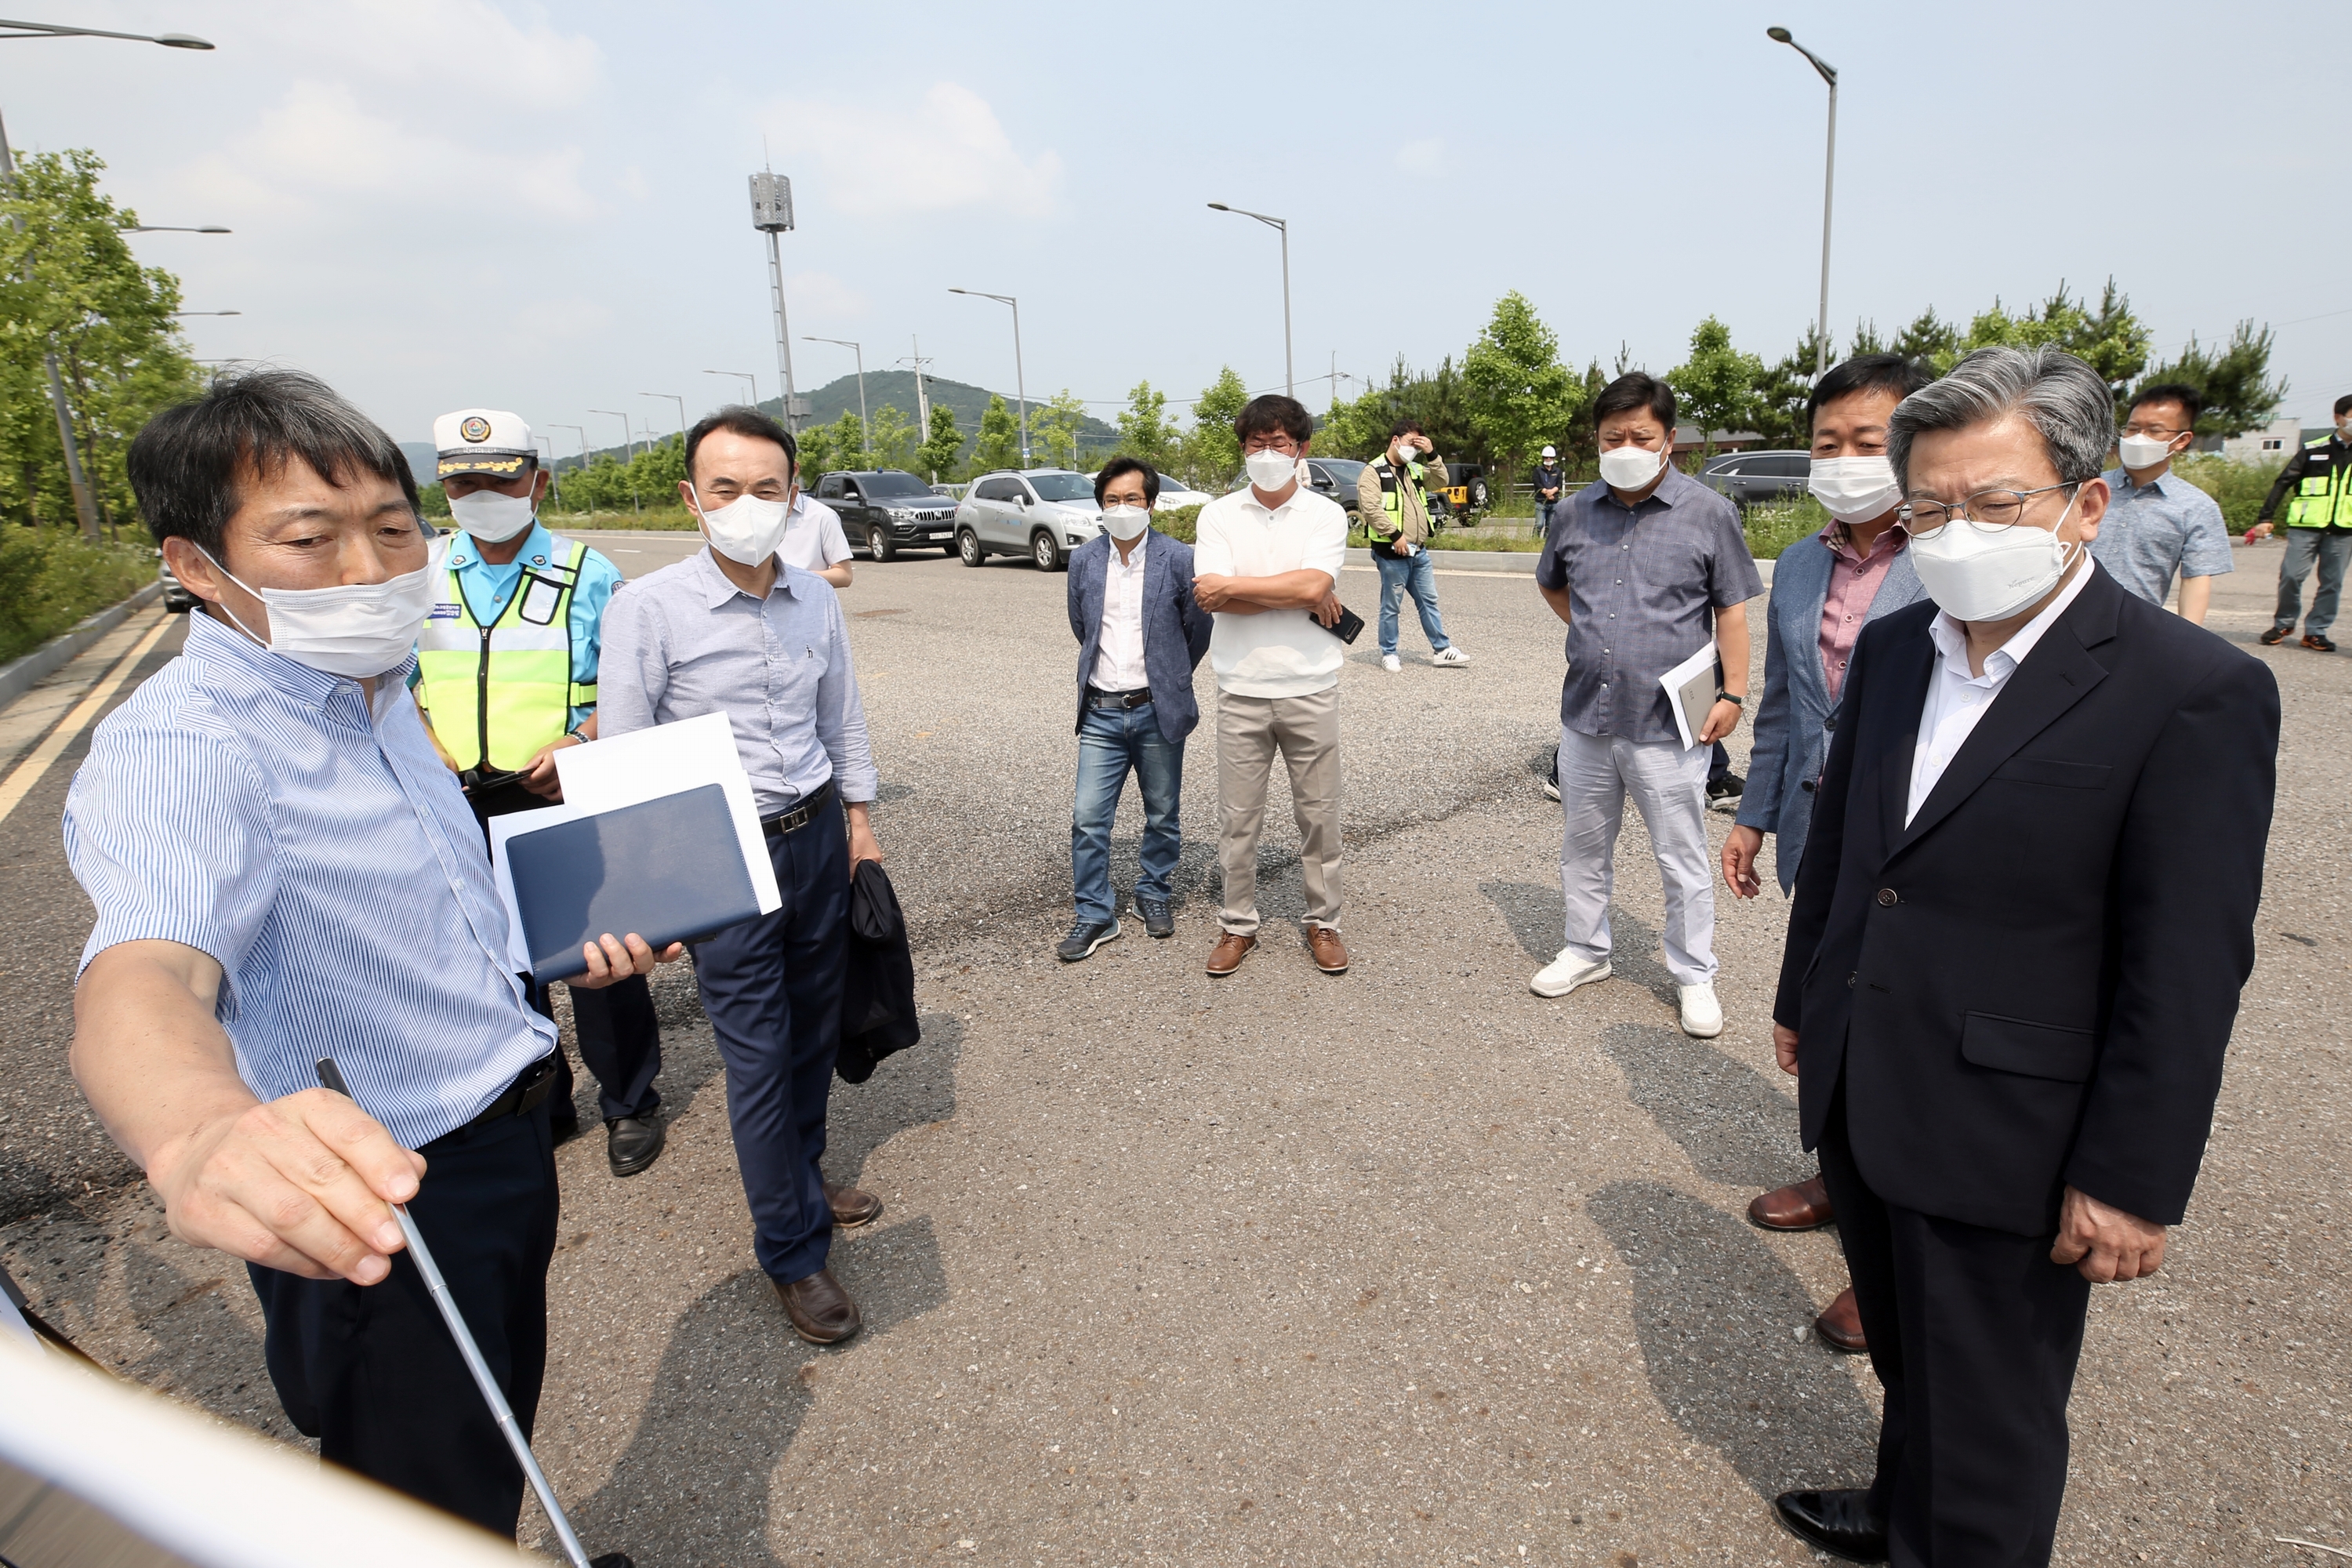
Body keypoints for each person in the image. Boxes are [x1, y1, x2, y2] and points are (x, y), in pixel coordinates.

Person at [63, 368, 674, 1544]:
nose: (369, 570)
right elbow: (145, 972)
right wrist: (198, 1131)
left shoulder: (373, 692)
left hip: (503, 1137)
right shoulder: (187, 745)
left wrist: (555, 943)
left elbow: (433, 891)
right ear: (197, 565)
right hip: (386, 1200)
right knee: (418, 1502)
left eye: (393, 530)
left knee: (489, 1437)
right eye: (309, 539)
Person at [1768, 347, 2278, 1566]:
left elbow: (2187, 964)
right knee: (1911, 1351)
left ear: (2086, 504)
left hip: (2015, 1128)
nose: (1957, 535)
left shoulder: (2190, 690)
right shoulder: (1900, 646)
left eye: (1995, 503)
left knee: (1991, 1410)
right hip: (1867, 1073)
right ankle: (1904, 1506)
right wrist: (1803, 1001)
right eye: (1930, 508)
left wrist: (2133, 1177)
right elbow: (1846, 852)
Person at [597, 405, 886, 1346]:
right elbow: (624, 756)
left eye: (767, 487)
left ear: (794, 496)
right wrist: (648, 893)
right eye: (726, 488)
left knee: (812, 1031)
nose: (747, 504)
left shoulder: (815, 599)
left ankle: (803, 1174)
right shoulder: (648, 608)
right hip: (717, 850)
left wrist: (860, 824)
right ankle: (793, 1251)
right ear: (693, 498)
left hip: (814, 836)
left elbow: (840, 716)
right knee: (758, 1053)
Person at [1722, 353, 1933, 1354]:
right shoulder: (1802, 564)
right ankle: (1843, 1179)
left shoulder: (1955, 557)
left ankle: (1890, 1251)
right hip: (1819, 832)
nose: (1846, 460)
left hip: (1914, 845)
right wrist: (1755, 814)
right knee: (1830, 1015)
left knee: (1907, 1039)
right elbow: (1785, 707)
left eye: (1868, 441)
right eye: (1827, 443)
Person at [415, 408, 666, 1178]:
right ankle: (543, 1098)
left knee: (597, 955)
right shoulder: (419, 572)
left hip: (561, 791)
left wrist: (583, 740)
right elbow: (394, 683)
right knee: (499, 963)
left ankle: (630, 1101)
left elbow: (636, 685)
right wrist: (426, 744)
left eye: (500, 481)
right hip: (457, 798)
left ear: (538, 483)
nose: (481, 495)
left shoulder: (588, 572)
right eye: (464, 482)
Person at [1530, 373, 1760, 1038]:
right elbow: (1553, 586)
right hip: (1587, 716)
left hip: (1669, 724)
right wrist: (1595, 632)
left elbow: (1731, 612)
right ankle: (1586, 949)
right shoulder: (1573, 513)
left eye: (1640, 435)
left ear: (1668, 439)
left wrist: (1733, 693)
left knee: (1680, 855)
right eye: (1613, 437)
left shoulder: (1708, 512)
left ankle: (1694, 973)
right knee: (1583, 846)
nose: (1625, 447)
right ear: (1596, 440)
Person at [1192, 394, 1352, 978]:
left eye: (1278, 443)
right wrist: (1296, 591)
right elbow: (1210, 595)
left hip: (1311, 685)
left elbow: (1311, 587)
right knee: (1238, 819)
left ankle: (1324, 921)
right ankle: (1238, 925)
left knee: (1319, 816)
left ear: (1300, 449)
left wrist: (1242, 588)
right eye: (1256, 443)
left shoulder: (1325, 514)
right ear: (1243, 448)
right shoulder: (1218, 515)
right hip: (1240, 688)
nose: (1266, 453)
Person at [1058, 457, 1214, 960]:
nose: (1122, 508)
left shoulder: (1179, 558)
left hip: (1156, 708)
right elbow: (1082, 627)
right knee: (1088, 818)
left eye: (1132, 499)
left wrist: (1169, 676)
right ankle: (1094, 913)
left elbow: (1198, 630)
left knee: (1163, 813)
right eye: (1112, 500)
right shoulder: (1085, 560)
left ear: (1150, 504)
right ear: (1100, 506)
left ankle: (1153, 891)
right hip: (1101, 710)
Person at [2088, 383, 2232, 622]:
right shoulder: (2087, 488)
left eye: (2154, 431)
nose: (2139, 438)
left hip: (2135, 626)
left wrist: (2188, 638)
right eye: (2133, 429)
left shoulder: (2196, 507)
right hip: (2060, 618)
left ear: (2182, 440)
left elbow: (2195, 580)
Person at [1357, 419, 1471, 673]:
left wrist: (1432, 453)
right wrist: (1395, 535)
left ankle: (1442, 649)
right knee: (1391, 606)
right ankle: (1389, 652)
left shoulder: (1414, 470)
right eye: (1411, 443)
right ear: (1395, 440)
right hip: (1391, 552)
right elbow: (1371, 509)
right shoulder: (1374, 471)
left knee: (1429, 601)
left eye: (1418, 446)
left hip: (1418, 551)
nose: (1413, 450)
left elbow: (1440, 480)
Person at [2247, 392, 2352, 651]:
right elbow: (2283, 482)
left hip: (2344, 530)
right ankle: (2283, 623)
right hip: (2306, 527)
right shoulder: (2313, 449)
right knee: (2291, 576)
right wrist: (2265, 518)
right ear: (2338, 418)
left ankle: (2316, 631)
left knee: (2332, 583)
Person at [782, 480, 854, 588]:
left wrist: (797, 577)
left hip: (805, 595)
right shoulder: (754, 515)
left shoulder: (822, 515)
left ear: (795, 471)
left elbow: (844, 575)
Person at [1533, 444, 1566, 532]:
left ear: (1553, 458)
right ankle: (1535, 539)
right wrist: (1547, 493)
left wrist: (1552, 492)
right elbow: (1537, 483)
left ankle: (1547, 541)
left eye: (1550, 457)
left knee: (1550, 527)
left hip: (1553, 502)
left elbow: (1559, 484)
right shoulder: (1538, 470)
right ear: (1543, 458)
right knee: (1539, 525)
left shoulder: (1558, 471)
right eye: (1546, 457)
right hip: (1541, 502)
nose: (1548, 459)